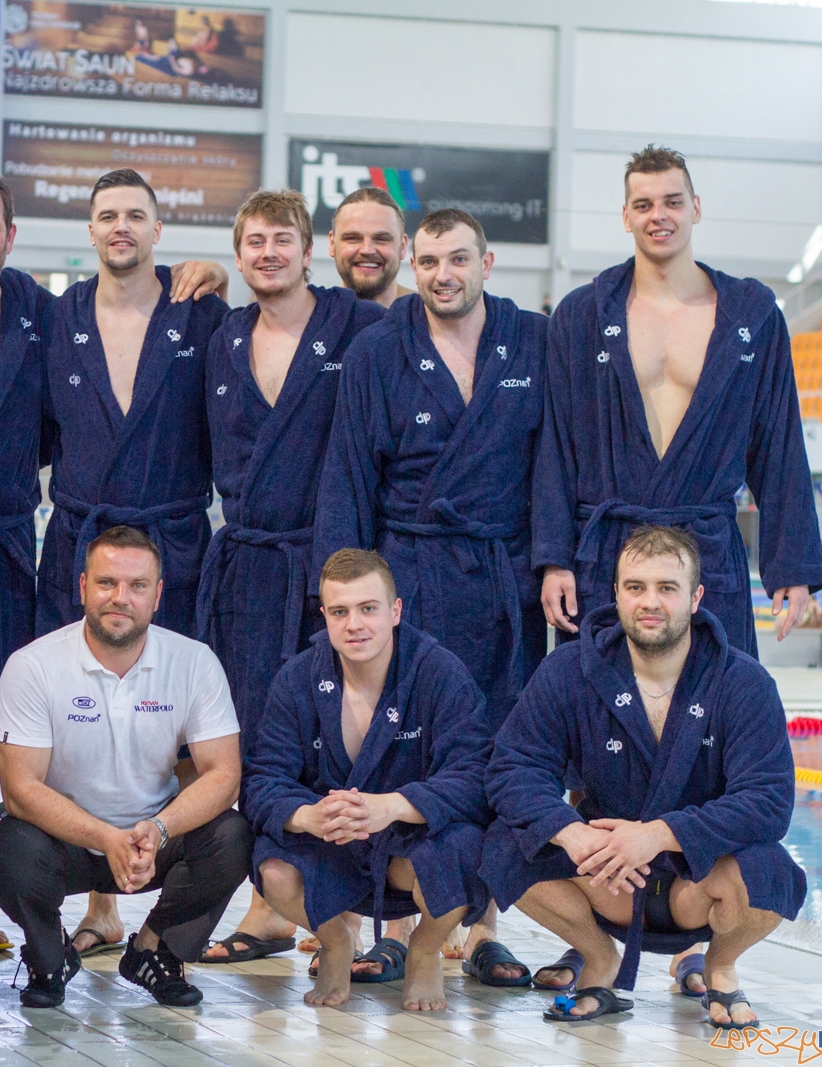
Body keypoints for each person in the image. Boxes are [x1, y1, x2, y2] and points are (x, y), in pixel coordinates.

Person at [0, 172, 225, 715]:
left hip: (7, 550)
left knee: (13, 702)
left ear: (10, 236)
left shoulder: (39, 310)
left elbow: (57, 428)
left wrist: (211, 269)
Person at [314, 208, 548, 985]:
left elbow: (556, 465)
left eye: (458, 258)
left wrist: (553, 562)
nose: (443, 274)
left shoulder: (534, 341)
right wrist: (346, 597)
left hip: (500, 578)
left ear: (489, 260)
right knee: (399, 746)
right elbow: (348, 475)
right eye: (428, 261)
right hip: (407, 569)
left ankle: (482, 924)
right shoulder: (380, 348)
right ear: (412, 267)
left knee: (499, 747)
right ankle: (398, 919)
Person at [483, 525, 805, 1027]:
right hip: (605, 876)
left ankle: (720, 967)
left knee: (771, 871)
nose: (649, 602)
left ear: (696, 597)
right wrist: (574, 833)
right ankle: (598, 957)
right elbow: (513, 769)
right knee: (503, 842)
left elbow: (769, 800)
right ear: (616, 594)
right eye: (635, 587)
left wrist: (658, 835)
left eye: (666, 588)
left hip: (695, 882)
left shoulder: (743, 682)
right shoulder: (569, 671)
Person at [535, 144, 822, 657]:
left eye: (672, 201)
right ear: (625, 217)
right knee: (597, 713)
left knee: (715, 709)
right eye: (644, 205)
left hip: (705, 551)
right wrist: (555, 559)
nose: (658, 216)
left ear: (696, 207)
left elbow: (778, 442)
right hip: (609, 555)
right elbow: (555, 448)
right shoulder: (580, 314)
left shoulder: (751, 314)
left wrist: (792, 567)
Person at [196, 189, 384, 966]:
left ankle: (374, 915)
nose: (268, 253)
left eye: (283, 240)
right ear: (238, 257)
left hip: (329, 567)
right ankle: (272, 902)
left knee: (342, 739)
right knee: (257, 737)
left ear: (310, 251)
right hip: (246, 569)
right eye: (253, 243)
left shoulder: (362, 325)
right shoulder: (222, 336)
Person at [0, 526, 251, 1008]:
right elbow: (21, 789)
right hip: (65, 841)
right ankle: (49, 957)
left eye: (137, 586)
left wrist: (159, 827)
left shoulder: (194, 662)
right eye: (107, 583)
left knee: (232, 835)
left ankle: (155, 949)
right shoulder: (34, 665)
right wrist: (105, 838)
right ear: (83, 586)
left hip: (155, 839)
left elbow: (223, 775)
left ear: (158, 595)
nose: (120, 598)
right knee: (7, 847)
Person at [244, 549, 493, 1010]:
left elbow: (475, 774)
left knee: (465, 851)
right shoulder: (298, 679)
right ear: (324, 616)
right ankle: (336, 941)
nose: (354, 624)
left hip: (408, 844)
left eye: (368, 609)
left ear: (396, 611)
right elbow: (263, 778)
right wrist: (307, 816)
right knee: (273, 869)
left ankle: (423, 949)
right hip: (333, 841)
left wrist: (394, 805)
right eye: (340, 612)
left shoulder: (438, 673)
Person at [37, 168, 229, 641]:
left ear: (157, 230)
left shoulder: (203, 316)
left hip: (171, 549)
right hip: (81, 548)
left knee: (170, 701)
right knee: (72, 699)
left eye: (135, 216)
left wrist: (220, 274)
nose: (121, 226)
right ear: (92, 231)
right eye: (108, 216)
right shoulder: (58, 317)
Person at [328, 186, 413, 308]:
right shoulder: (313, 319)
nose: (367, 250)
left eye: (381, 239)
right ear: (332, 244)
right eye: (352, 238)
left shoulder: (428, 318)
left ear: (403, 247)